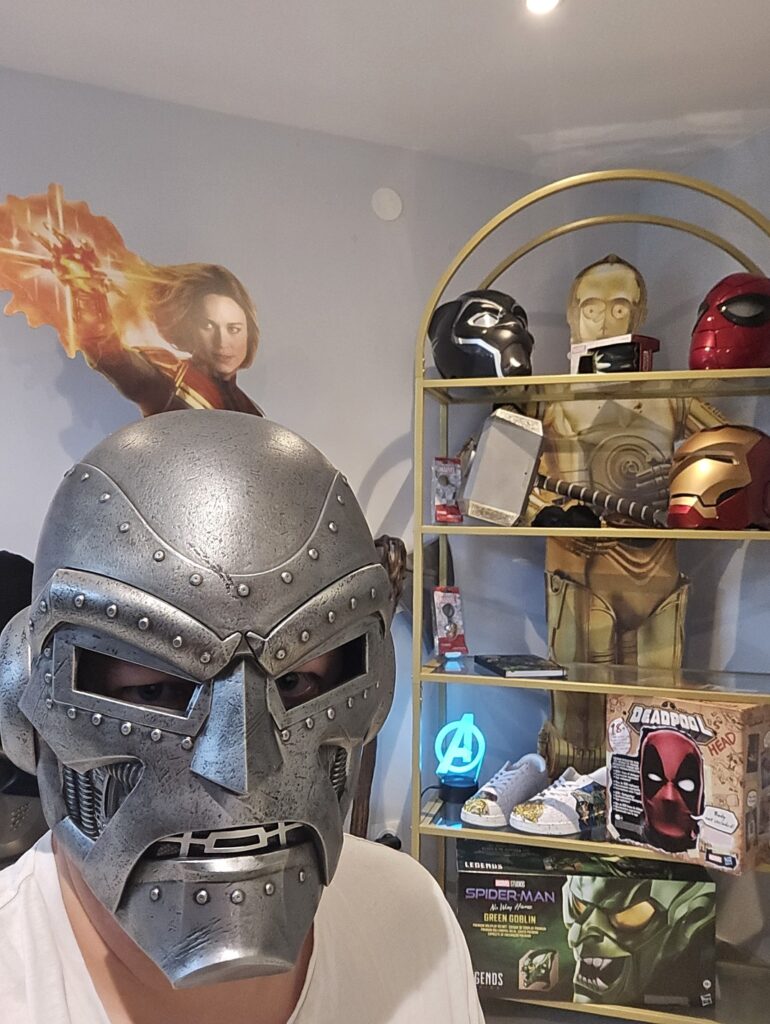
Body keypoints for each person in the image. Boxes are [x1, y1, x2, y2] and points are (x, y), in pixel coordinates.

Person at [0, 410, 484, 1024]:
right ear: (24, 690)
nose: (241, 770)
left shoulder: (413, 922)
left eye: (297, 680)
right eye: (155, 689)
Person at [69, 261, 264, 416]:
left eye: (234, 329)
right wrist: (88, 297)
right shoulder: (170, 378)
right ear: (189, 330)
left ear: (249, 335)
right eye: (208, 326)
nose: (222, 342)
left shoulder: (250, 411)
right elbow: (110, 353)